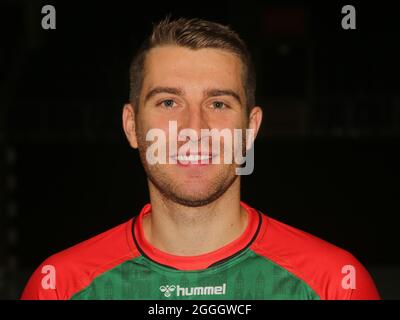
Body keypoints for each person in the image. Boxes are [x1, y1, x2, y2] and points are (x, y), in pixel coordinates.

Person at [21, 17, 380, 300]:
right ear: (131, 125)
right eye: (168, 102)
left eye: (218, 103)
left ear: (250, 128)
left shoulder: (335, 285)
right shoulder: (60, 287)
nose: (194, 127)